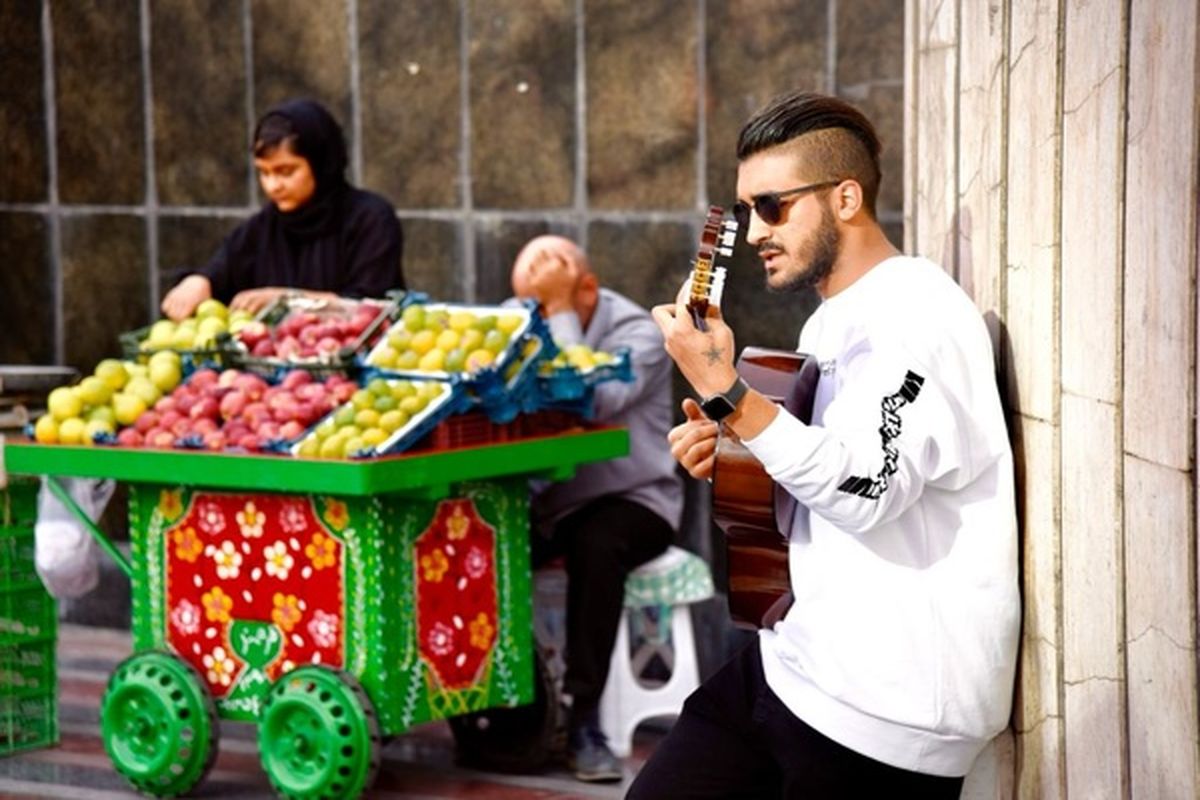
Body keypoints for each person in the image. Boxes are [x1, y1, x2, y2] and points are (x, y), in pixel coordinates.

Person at [631, 90, 1020, 798]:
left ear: (845, 198)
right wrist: (733, 444)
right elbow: (819, 471)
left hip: (886, 716)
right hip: (795, 663)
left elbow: (867, 487)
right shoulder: (827, 325)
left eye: (772, 206)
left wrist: (731, 396)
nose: (753, 233)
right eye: (747, 208)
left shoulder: (916, 317)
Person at [510, 235, 683, 783]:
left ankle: (584, 718)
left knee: (598, 542)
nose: (530, 318)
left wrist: (557, 310)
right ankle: (505, 711)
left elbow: (592, 398)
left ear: (586, 288)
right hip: (549, 503)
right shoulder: (521, 318)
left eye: (543, 303)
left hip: (635, 500)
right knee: (476, 538)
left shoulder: (640, 334)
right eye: (528, 304)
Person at [160, 98, 403, 320]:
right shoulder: (263, 228)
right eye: (264, 172)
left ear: (321, 164)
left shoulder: (371, 219)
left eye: (286, 172)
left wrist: (287, 301)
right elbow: (223, 268)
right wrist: (200, 281)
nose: (273, 186)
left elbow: (370, 308)